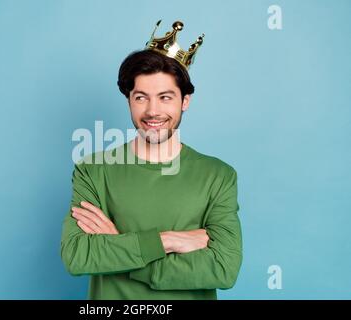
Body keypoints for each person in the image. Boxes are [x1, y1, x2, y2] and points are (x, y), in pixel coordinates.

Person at [60, 20, 242, 300]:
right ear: (129, 100)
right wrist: (169, 241)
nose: (152, 111)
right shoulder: (92, 171)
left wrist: (118, 248)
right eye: (141, 97)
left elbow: (223, 268)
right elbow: (78, 256)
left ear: (185, 101)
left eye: (165, 97)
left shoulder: (218, 175)